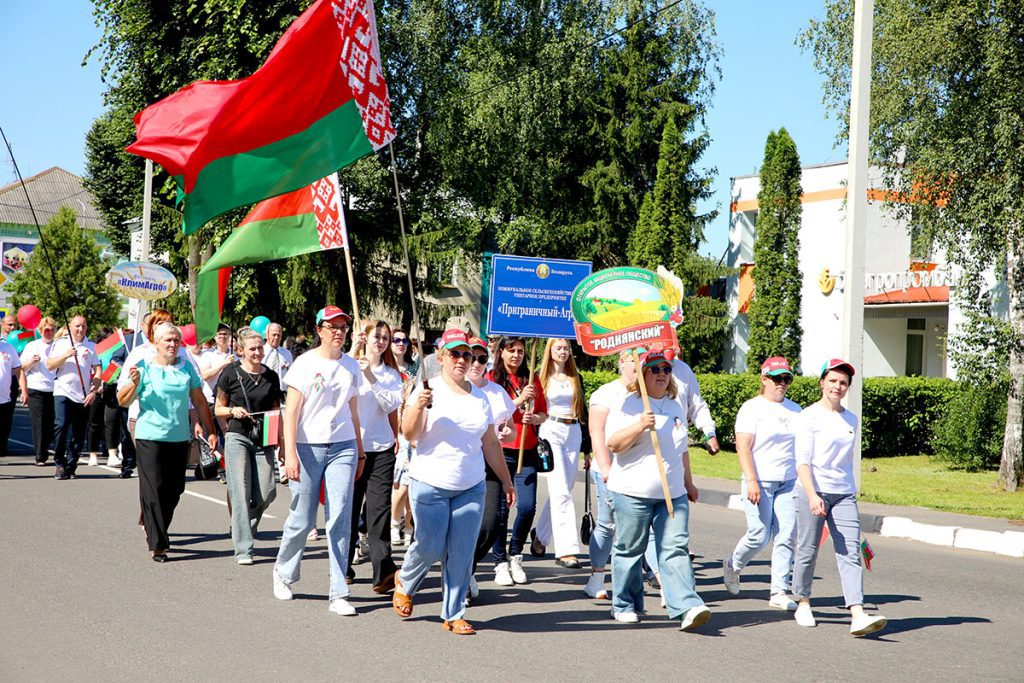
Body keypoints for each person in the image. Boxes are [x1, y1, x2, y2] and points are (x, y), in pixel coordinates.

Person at [393, 328, 515, 635]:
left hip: (471, 485)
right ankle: (406, 580)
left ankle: (453, 612)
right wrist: (418, 405)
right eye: (455, 354)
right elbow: (410, 434)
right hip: (430, 482)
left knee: (462, 550)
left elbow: (489, 443)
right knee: (430, 545)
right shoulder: (426, 389)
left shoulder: (481, 398)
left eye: (467, 355)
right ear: (441, 356)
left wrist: (506, 480)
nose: (462, 360)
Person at [602, 349, 709, 631]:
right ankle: (624, 603)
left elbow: (681, 448)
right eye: (655, 369)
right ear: (642, 374)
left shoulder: (675, 406)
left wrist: (688, 483)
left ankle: (686, 605)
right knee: (630, 549)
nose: (662, 374)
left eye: (666, 369)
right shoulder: (628, 405)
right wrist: (639, 425)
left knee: (675, 548)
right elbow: (613, 444)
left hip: (672, 493)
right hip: (632, 491)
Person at [272, 306, 366, 616]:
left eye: (343, 327)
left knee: (340, 515)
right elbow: (292, 412)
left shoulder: (352, 366)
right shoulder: (304, 363)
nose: (339, 331)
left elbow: (353, 412)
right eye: (332, 326)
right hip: (308, 446)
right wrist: (289, 453)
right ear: (319, 330)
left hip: (344, 446)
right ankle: (283, 572)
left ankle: (339, 591)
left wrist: (360, 449)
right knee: (303, 516)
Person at [793, 359, 887, 636]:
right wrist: (812, 495)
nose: (838, 386)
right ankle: (803, 601)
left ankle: (857, 612)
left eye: (843, 382)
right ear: (822, 382)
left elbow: (845, 461)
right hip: (812, 490)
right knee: (808, 548)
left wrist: (851, 489)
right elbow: (802, 461)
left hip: (844, 493)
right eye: (833, 380)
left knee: (849, 552)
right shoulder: (808, 416)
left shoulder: (851, 419)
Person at [118, 322, 217, 562]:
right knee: (154, 489)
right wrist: (133, 382)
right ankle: (158, 542)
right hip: (149, 436)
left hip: (178, 437)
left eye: (176, 340)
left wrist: (210, 430)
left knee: (174, 490)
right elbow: (122, 400)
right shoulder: (143, 367)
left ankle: (155, 525)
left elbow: (200, 401)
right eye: (167, 341)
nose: (173, 345)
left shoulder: (186, 368)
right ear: (156, 343)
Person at [722, 356, 802, 611]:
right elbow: (742, 447)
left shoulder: (796, 410)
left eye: (786, 379)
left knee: (786, 535)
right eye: (777, 378)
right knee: (759, 535)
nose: (782, 383)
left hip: (788, 482)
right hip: (760, 481)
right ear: (764, 379)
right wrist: (752, 481)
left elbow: (802, 448)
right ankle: (732, 565)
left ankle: (779, 591)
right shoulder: (751, 408)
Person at [214, 329, 282, 565]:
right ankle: (243, 548)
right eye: (252, 348)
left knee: (268, 490)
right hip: (238, 436)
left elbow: (275, 410)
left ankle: (243, 523)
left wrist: (280, 440)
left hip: (264, 437)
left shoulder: (271, 376)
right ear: (241, 350)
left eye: (260, 347)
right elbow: (218, 409)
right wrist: (233, 410)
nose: (257, 352)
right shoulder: (230, 374)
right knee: (239, 490)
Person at [346, 320, 403, 592]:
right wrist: (353, 350)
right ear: (366, 338)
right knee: (349, 508)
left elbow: (391, 404)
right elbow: (336, 389)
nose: (380, 341)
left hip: (380, 450)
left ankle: (383, 572)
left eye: (385, 338)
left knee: (378, 512)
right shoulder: (350, 366)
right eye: (375, 336)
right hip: (350, 447)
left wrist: (371, 376)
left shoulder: (391, 374)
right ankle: (343, 566)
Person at [486, 336, 546, 586]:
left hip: (527, 449)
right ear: (501, 353)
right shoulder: (491, 380)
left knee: (527, 507)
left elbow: (544, 412)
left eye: (521, 351)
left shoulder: (531, 380)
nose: (517, 356)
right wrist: (518, 401)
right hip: (500, 451)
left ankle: (515, 554)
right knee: (500, 512)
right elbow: (491, 414)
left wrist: (536, 419)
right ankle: (499, 562)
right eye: (511, 351)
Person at [582, 349, 637, 599]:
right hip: (609, 471)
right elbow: (597, 433)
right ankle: (596, 578)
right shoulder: (605, 393)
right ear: (621, 363)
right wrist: (605, 469)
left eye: (642, 360)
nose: (638, 365)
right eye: (633, 360)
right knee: (609, 524)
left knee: (638, 527)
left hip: (637, 471)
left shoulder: (647, 394)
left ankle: (642, 579)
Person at [467, 336, 517, 602]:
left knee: (490, 524)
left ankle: (465, 569)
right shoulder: (453, 389)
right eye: (471, 357)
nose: (476, 363)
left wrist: (508, 433)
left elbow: (510, 431)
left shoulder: (497, 392)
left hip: (491, 462)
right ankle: (457, 572)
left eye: (482, 358)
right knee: (463, 524)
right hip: (462, 463)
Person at [533, 338, 586, 568]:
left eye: (566, 348)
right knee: (561, 490)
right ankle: (566, 550)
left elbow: (583, 411)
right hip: (551, 430)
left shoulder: (576, 377)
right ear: (550, 350)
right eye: (558, 348)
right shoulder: (541, 377)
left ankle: (541, 536)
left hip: (573, 431)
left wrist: (588, 451)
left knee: (565, 488)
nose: (563, 352)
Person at [47, 315, 101, 480]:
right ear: (70, 327)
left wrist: (94, 391)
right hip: (63, 390)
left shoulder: (91, 346)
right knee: (61, 426)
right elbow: (50, 365)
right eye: (77, 326)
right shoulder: (61, 343)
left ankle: (71, 464)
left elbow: (98, 371)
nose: (80, 329)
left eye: (83, 326)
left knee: (78, 433)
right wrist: (66, 355)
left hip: (83, 395)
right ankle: (59, 463)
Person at [20, 317, 57, 466]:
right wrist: (32, 361)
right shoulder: (32, 345)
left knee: (51, 422)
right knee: (39, 422)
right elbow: (21, 368)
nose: (49, 333)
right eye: (46, 330)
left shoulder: (58, 345)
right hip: (36, 387)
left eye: (52, 330)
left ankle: (46, 447)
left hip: (54, 389)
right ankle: (40, 456)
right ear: (40, 331)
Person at [0, 332, 22, 457]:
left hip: (4, 396)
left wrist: (24, 390)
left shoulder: (8, 348)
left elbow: (19, 371)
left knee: (4, 424)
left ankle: (2, 447)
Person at [263, 322, 293, 388]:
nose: (276, 337)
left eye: (278, 335)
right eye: (274, 335)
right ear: (267, 335)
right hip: (264, 392)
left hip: (282, 394)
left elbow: (291, 375)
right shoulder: (260, 352)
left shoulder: (287, 353)